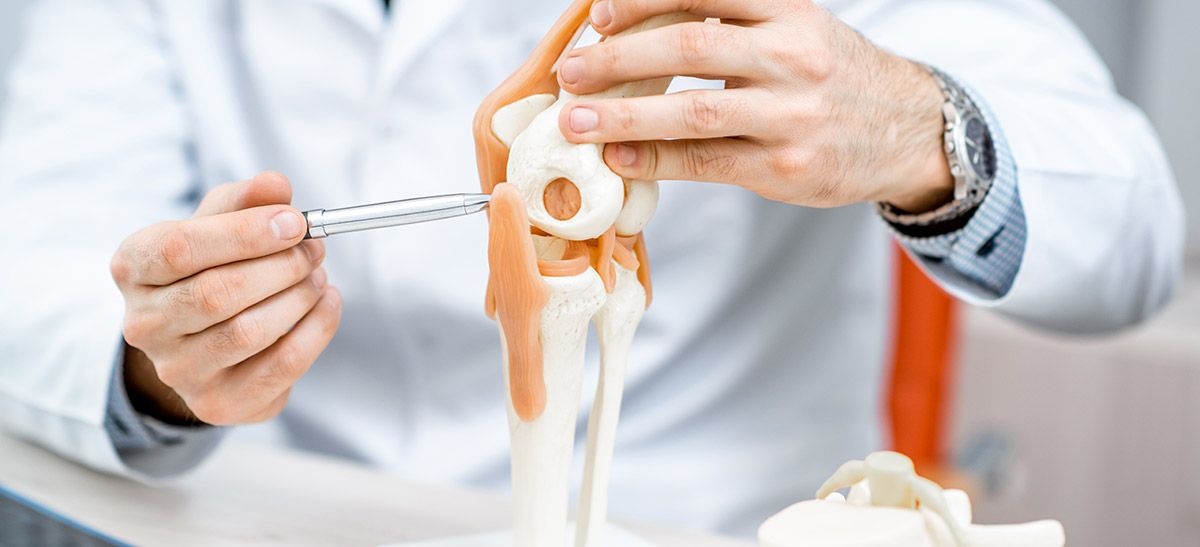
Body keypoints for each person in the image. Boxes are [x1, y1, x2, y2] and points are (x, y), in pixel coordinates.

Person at [0, 0, 1184, 537]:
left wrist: (921, 128)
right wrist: (163, 351)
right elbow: (38, 251)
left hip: (693, 517)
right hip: (294, 513)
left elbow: (1131, 230)